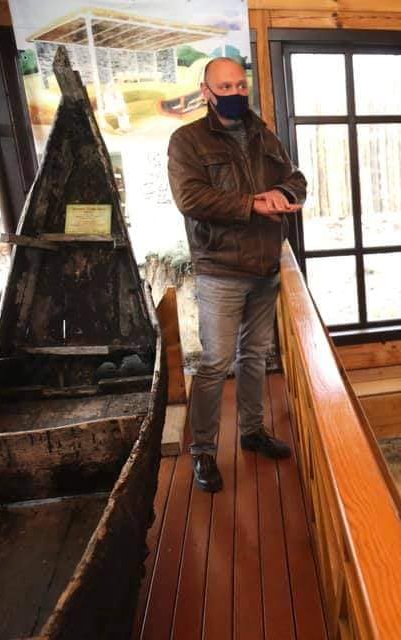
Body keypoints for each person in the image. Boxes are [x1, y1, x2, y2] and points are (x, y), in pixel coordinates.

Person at [167, 57, 307, 493]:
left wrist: (282, 192)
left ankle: (252, 430)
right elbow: (190, 198)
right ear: (206, 91)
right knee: (214, 363)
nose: (234, 93)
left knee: (255, 355)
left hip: (265, 266)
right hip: (221, 268)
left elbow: (296, 179)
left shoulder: (264, 134)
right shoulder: (187, 140)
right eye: (224, 87)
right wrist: (253, 204)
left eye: (239, 85)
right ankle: (203, 451)